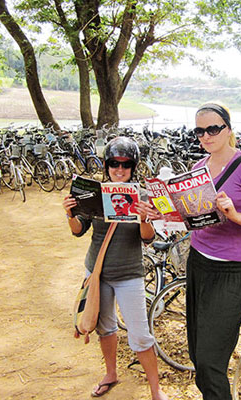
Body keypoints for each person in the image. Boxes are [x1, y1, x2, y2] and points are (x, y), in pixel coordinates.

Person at [62, 136, 167, 399]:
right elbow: (78, 231)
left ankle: (156, 389)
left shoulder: (142, 195)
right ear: (106, 165)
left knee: (140, 335)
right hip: (97, 272)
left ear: (134, 166)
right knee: (105, 327)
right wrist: (69, 214)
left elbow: (147, 238)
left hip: (129, 274)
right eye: (113, 164)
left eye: (125, 164)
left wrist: (144, 218)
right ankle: (111, 373)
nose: (119, 170)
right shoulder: (94, 193)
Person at [186, 102, 241, 399]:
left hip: (231, 270)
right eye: (199, 131)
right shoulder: (197, 169)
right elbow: (192, 218)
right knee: (197, 353)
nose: (206, 136)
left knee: (212, 361)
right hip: (198, 263)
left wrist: (236, 216)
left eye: (213, 129)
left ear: (228, 128)